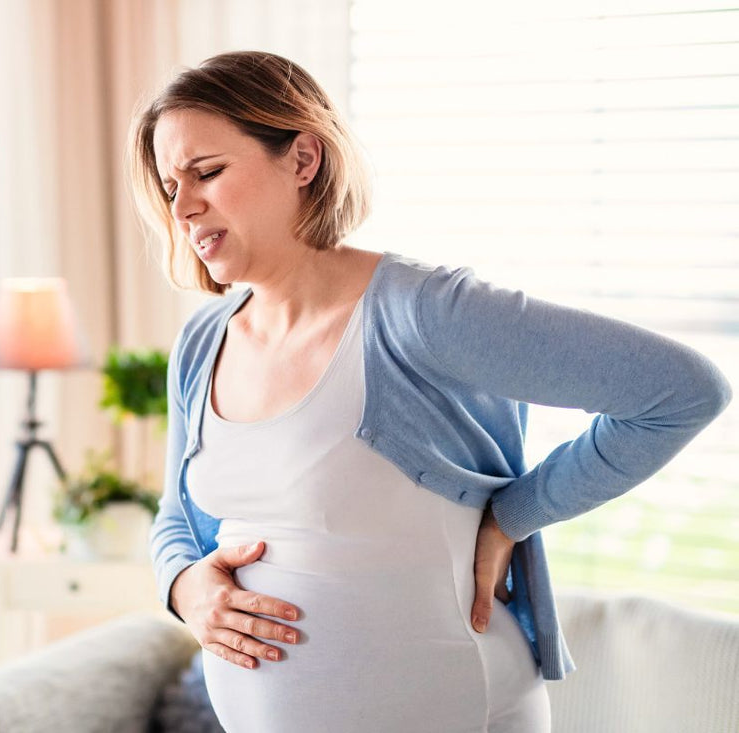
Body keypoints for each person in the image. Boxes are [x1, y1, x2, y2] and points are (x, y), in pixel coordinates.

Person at [125, 51, 732, 733]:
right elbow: (176, 513)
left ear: (302, 160)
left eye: (207, 172)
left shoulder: (420, 313)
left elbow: (680, 390)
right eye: (170, 185)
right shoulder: (203, 341)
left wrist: (514, 513)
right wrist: (185, 586)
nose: (182, 206)